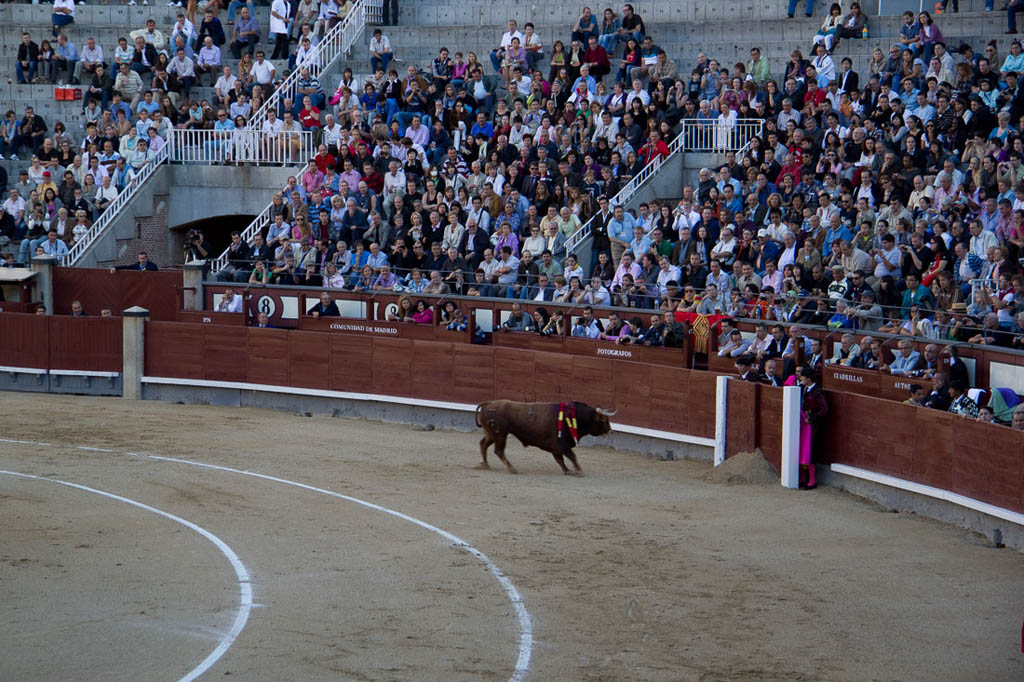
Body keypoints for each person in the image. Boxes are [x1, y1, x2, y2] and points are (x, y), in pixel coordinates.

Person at [797, 365, 828, 489]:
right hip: (803, 425)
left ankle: (812, 480)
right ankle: (804, 477)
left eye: (802, 376)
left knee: (810, 451)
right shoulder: (803, 389)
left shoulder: (817, 392)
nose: (800, 378)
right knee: (802, 449)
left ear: (808, 378)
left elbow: (824, 409)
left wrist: (811, 418)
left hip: (812, 426)